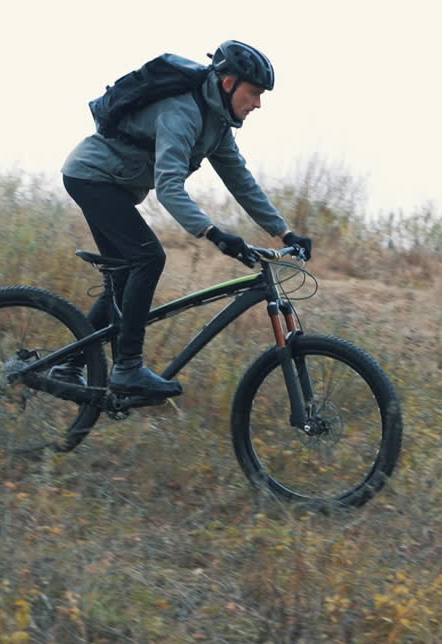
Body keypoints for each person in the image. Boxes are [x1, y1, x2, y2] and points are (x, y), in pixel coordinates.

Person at [59, 40, 312, 397]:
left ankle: (68, 366)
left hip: (111, 184)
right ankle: (127, 368)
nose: (257, 104)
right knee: (148, 257)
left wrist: (285, 233)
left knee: (123, 277)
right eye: (254, 93)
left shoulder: (218, 124)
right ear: (228, 84)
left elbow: (241, 182)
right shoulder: (182, 112)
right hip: (92, 178)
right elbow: (168, 186)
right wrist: (213, 233)